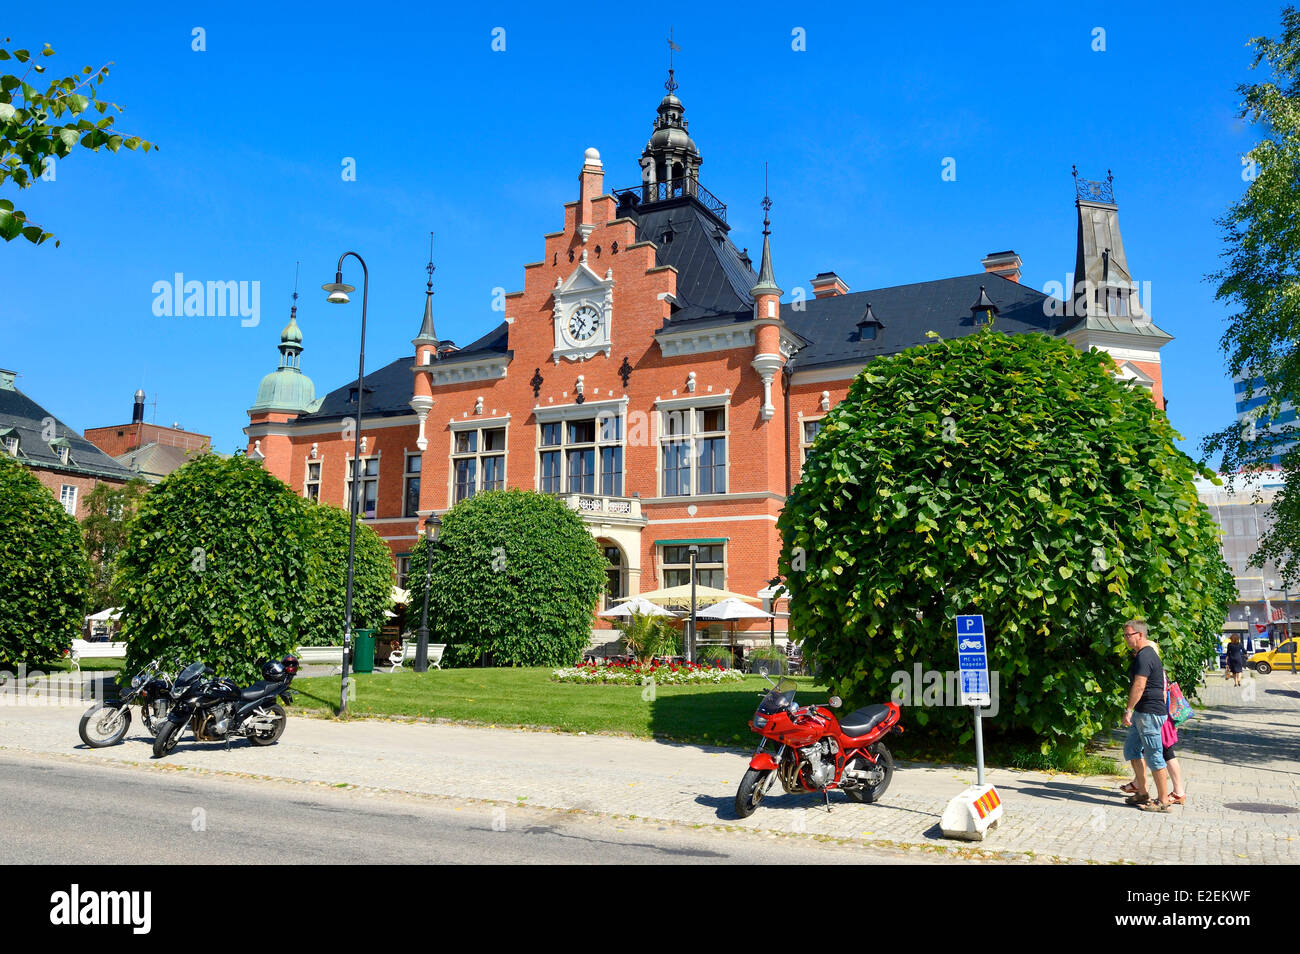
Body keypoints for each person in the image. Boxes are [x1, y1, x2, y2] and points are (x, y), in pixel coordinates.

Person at [1120, 639, 1186, 805]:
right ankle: (1141, 790)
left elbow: (1145, 687)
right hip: (1147, 714)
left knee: (1162, 754)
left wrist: (1129, 710)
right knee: (1135, 750)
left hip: (1153, 714)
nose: (1133, 653)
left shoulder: (1149, 662)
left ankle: (1168, 797)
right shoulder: (1154, 664)